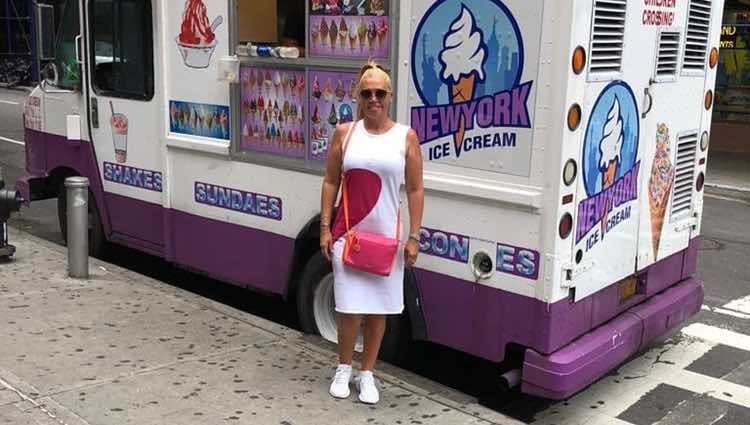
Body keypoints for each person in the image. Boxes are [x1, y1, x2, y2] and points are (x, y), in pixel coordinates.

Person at [319, 62, 424, 404]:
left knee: (378, 312)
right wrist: (324, 228)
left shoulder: (405, 137)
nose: (373, 98)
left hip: (386, 241)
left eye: (380, 92)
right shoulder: (345, 134)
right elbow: (331, 181)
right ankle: (343, 368)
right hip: (347, 237)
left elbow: (416, 190)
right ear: (358, 97)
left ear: (390, 96)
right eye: (367, 93)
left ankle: (367, 374)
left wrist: (414, 236)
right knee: (349, 310)